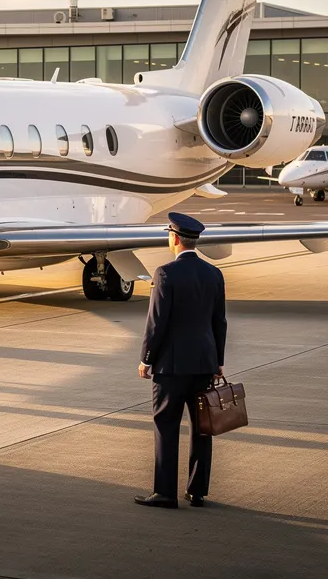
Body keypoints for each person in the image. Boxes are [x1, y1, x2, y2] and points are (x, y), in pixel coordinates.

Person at [134, 212, 227, 509]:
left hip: (171, 368)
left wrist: (146, 359)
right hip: (204, 363)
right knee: (201, 427)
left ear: (174, 238)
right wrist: (218, 361)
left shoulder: (165, 273)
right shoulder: (214, 274)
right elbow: (219, 322)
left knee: (166, 425)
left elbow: (156, 322)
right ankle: (197, 491)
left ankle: (164, 492)